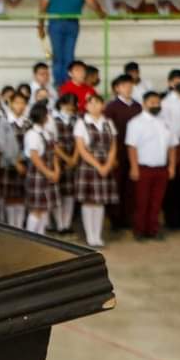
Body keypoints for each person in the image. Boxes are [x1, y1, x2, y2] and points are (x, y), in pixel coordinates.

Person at [38, 0, 105, 89]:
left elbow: (91, 1)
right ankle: (59, 85)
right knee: (58, 56)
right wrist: (40, 25)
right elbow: (43, 6)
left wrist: (100, 13)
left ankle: (69, 84)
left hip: (73, 23)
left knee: (69, 56)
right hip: (55, 22)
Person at [125, 92, 177, 240]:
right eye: (152, 102)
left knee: (157, 202)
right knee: (142, 201)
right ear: (144, 104)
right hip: (143, 168)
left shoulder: (166, 122)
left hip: (161, 168)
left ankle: (153, 229)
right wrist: (134, 167)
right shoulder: (135, 123)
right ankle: (139, 230)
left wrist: (172, 166)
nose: (155, 105)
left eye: (157, 102)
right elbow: (132, 147)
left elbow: (172, 147)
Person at [74, 94, 119, 248]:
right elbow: (81, 149)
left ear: (103, 105)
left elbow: (113, 146)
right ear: (86, 106)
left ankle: (98, 235)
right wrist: (98, 166)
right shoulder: (81, 123)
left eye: (98, 103)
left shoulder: (108, 123)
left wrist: (107, 164)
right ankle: (90, 236)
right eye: (91, 103)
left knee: (100, 202)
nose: (94, 106)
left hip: (106, 164)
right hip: (89, 166)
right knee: (89, 201)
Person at [103, 75, 142, 231]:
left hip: (134, 152)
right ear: (117, 88)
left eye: (130, 85)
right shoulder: (111, 107)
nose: (128, 88)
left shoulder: (138, 107)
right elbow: (107, 133)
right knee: (116, 186)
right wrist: (111, 156)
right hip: (117, 153)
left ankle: (128, 217)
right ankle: (115, 219)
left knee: (131, 187)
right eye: (124, 85)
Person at [160, 70, 180, 230]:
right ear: (170, 83)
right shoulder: (165, 103)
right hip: (172, 146)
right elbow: (164, 127)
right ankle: (172, 219)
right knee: (172, 183)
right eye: (177, 79)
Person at [23, 104, 60, 235]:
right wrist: (49, 173)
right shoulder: (32, 134)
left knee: (45, 209)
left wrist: (56, 170)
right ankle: (29, 238)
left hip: (48, 173)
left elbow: (53, 153)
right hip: (38, 175)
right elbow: (34, 157)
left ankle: (41, 236)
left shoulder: (47, 133)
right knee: (36, 210)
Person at [0, 92, 30, 228]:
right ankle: (11, 227)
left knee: (21, 198)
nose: (20, 106)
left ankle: (20, 226)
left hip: (25, 164)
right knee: (10, 199)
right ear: (10, 104)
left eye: (22, 103)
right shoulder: (4, 122)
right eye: (17, 102)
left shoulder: (28, 122)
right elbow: (2, 145)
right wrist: (15, 162)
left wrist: (23, 160)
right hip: (9, 166)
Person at [50, 93, 79, 234]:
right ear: (60, 103)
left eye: (73, 103)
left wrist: (74, 159)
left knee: (70, 194)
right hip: (58, 161)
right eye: (67, 103)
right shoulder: (53, 120)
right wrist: (67, 159)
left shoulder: (77, 119)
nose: (70, 106)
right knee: (58, 193)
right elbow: (52, 144)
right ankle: (59, 224)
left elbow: (81, 141)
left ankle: (67, 224)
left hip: (74, 160)